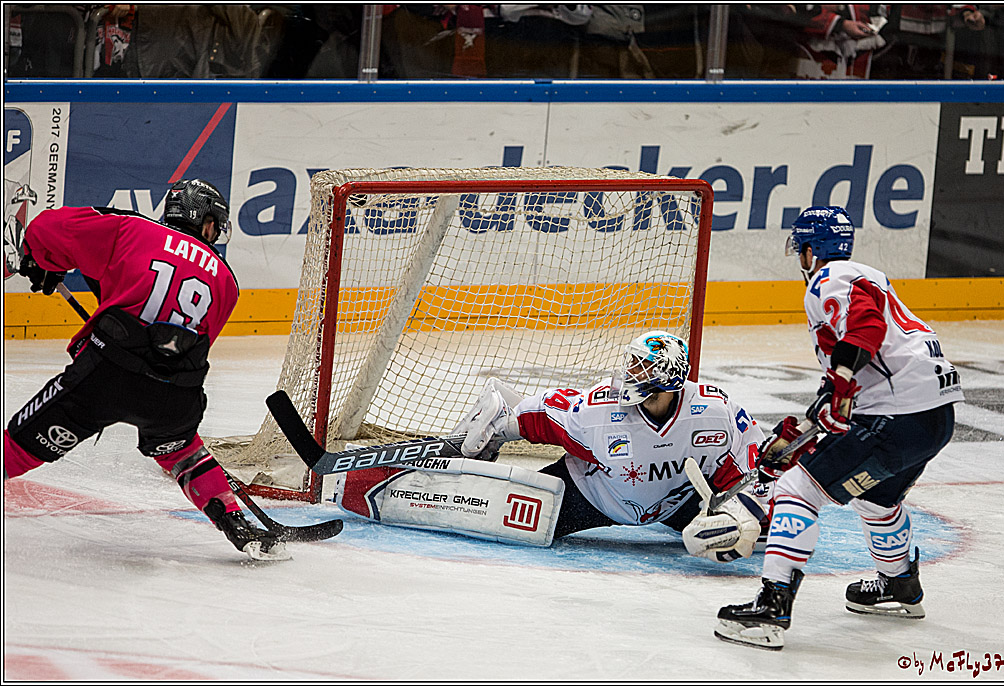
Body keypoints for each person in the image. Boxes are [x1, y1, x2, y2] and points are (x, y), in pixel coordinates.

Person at [715, 206, 964, 651]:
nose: (800, 258)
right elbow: (851, 365)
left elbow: (862, 330)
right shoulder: (866, 275)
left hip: (898, 414)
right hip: (936, 415)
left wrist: (844, 383)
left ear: (811, 250)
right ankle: (899, 585)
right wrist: (808, 425)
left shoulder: (827, 281)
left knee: (796, 489)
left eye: (801, 249)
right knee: (877, 495)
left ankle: (772, 607)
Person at [3, 179, 289, 561]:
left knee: (17, 447)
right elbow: (180, 341)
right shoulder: (227, 280)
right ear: (206, 224)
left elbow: (45, 229)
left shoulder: (133, 229)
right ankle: (234, 521)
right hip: (173, 395)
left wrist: (45, 262)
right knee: (183, 451)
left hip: (102, 381)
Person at [337, 330, 773, 563]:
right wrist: (498, 427)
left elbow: (753, 472)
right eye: (631, 366)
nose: (629, 377)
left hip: (675, 502)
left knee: (757, 538)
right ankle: (374, 484)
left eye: (641, 370)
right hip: (590, 494)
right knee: (497, 519)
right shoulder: (602, 411)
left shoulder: (715, 412)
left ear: (668, 382)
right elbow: (546, 417)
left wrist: (737, 518)